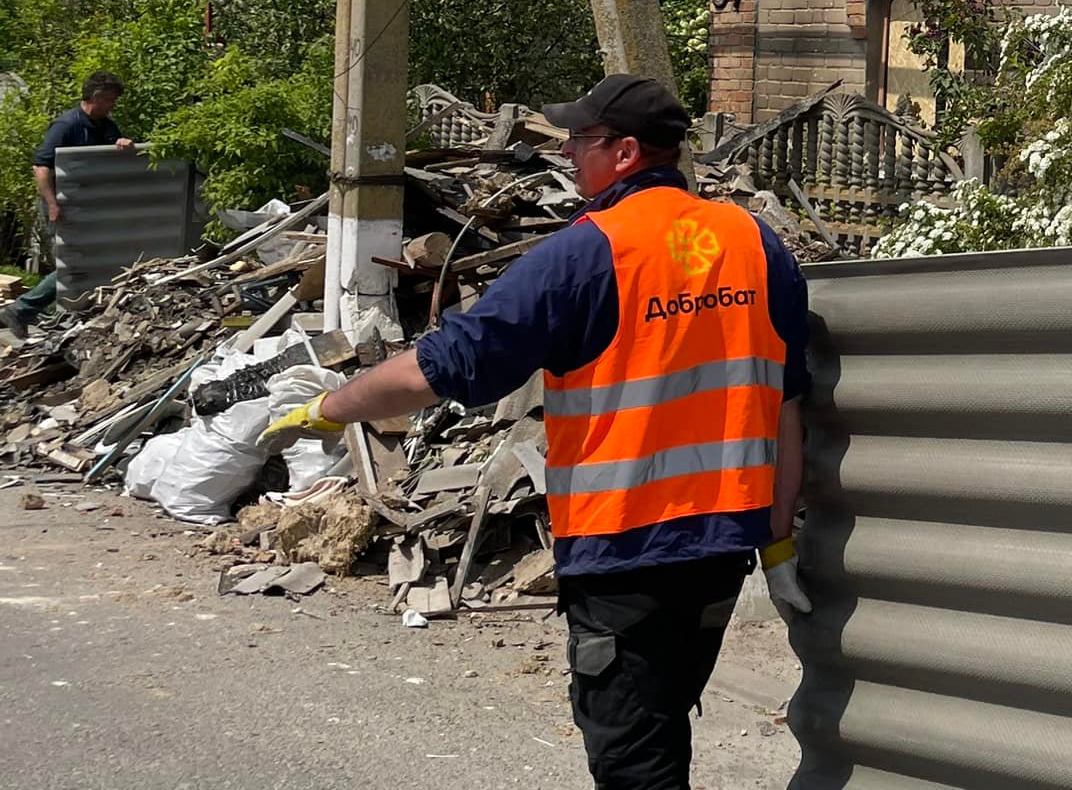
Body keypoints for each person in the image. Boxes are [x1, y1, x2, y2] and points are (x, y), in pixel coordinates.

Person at [262, 74, 812, 789]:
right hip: (718, 553)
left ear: (623, 152)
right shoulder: (755, 244)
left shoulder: (586, 255)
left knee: (633, 763)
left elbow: (446, 366)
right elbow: (786, 405)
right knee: (661, 725)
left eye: (581, 141)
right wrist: (777, 543)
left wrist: (332, 407)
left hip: (626, 553)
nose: (568, 155)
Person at [2, 72, 135, 343]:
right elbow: (41, 168)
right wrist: (52, 205)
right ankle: (21, 309)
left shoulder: (106, 126)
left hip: (88, 208)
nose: (113, 105)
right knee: (72, 263)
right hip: (62, 206)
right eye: (110, 99)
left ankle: (36, 311)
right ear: (96, 97)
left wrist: (123, 144)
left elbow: (112, 157)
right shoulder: (66, 125)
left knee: (89, 261)